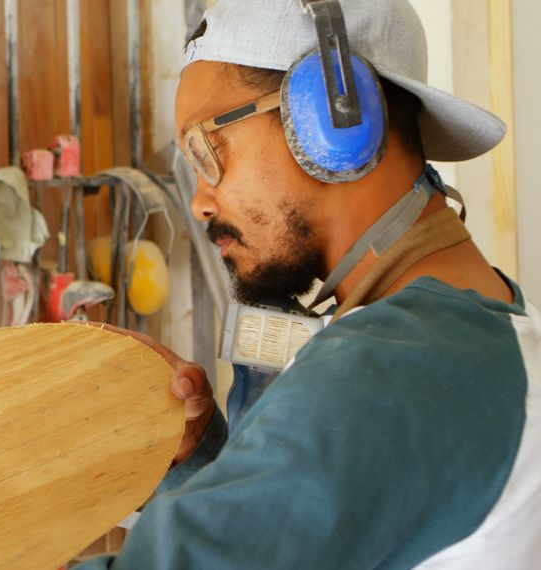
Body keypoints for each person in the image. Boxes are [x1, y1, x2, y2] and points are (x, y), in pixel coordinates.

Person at [78, 0, 540, 567]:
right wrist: (200, 456)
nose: (199, 203)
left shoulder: (393, 367)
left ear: (333, 117)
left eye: (204, 149)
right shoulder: (477, 331)